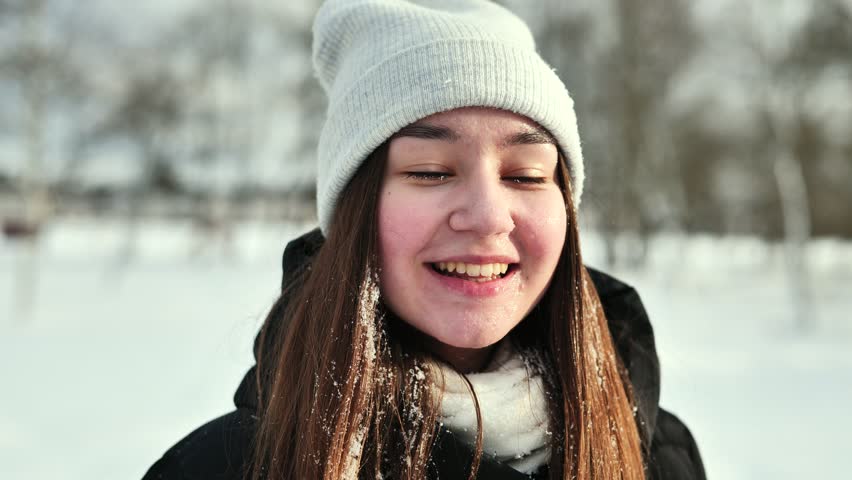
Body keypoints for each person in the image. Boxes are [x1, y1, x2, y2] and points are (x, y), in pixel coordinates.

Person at [143, 1, 705, 479]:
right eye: (431, 171)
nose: (488, 217)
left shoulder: (656, 454)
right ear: (353, 212)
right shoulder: (229, 466)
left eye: (526, 175)